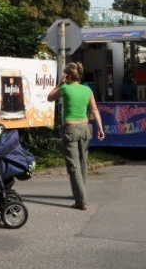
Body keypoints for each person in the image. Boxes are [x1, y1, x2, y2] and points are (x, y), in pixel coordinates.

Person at [47, 62, 106, 210]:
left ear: (67, 76)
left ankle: (81, 201)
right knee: (83, 163)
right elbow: (95, 110)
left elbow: (49, 97)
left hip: (71, 129)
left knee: (73, 166)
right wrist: (100, 128)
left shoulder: (65, 88)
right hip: (85, 129)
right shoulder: (87, 90)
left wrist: (59, 84)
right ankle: (81, 192)